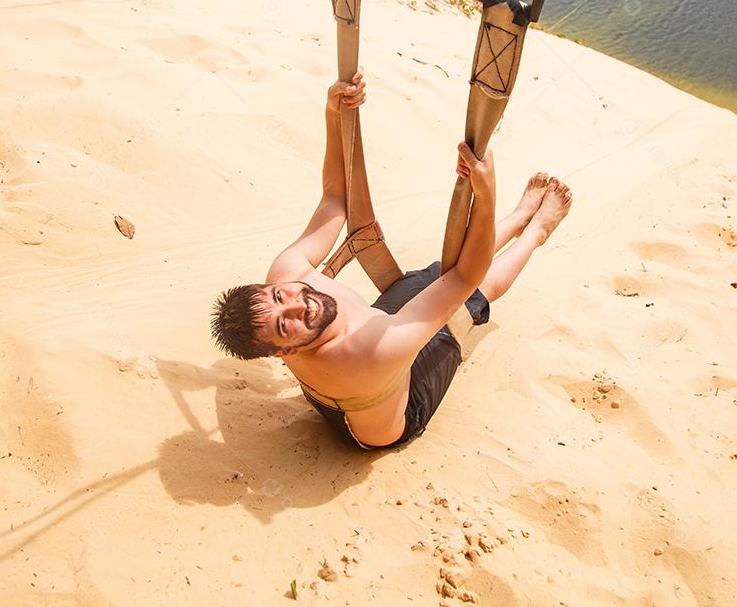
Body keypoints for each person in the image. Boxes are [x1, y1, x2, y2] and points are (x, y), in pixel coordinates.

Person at [211, 71, 573, 449]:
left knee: (436, 275)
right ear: (284, 352)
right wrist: (486, 193)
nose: (299, 304)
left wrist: (334, 114)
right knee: (468, 298)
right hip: (391, 413)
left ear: (270, 287)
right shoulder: (375, 351)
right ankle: (535, 232)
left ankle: (517, 218)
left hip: (351, 383)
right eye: (285, 325)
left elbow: (335, 199)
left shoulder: (286, 273)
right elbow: (466, 276)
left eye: (279, 297)